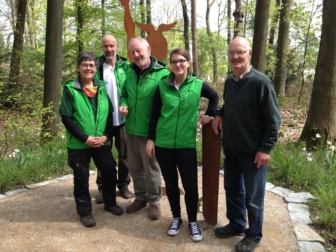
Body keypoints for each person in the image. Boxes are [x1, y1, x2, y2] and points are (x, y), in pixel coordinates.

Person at [212, 37, 281, 252]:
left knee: (253, 197)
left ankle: (253, 235)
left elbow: (273, 120)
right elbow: (230, 105)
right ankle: (237, 224)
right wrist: (219, 114)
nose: (235, 57)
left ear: (249, 53)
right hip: (231, 148)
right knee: (232, 188)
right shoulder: (229, 82)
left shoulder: (261, 82)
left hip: (253, 153)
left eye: (240, 52)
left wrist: (265, 149)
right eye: (231, 53)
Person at [146, 48, 219, 241]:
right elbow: (154, 114)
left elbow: (215, 97)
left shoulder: (197, 84)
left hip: (186, 144)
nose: (178, 64)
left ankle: (192, 221)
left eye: (181, 61)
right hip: (163, 143)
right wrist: (151, 139)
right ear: (170, 64)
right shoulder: (162, 86)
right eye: (174, 61)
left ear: (188, 62)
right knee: (170, 184)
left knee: (190, 185)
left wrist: (210, 113)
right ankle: (176, 217)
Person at [59, 51, 124, 228]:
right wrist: (85, 138)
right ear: (78, 68)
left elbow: (110, 114)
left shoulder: (101, 87)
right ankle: (85, 211)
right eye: (85, 64)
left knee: (110, 171)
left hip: (101, 141)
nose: (88, 68)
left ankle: (110, 203)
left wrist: (106, 135)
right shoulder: (71, 89)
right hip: (80, 143)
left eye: (91, 65)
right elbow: (66, 117)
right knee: (81, 176)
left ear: (95, 68)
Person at [119, 37, 170, 220]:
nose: (136, 54)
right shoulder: (130, 72)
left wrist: (157, 134)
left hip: (150, 132)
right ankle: (140, 198)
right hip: (130, 128)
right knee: (134, 166)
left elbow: (167, 104)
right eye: (132, 52)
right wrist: (123, 104)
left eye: (139, 50)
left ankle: (154, 201)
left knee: (151, 168)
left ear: (148, 49)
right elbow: (124, 94)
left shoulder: (163, 73)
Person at [94, 34, 133, 203]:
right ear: (102, 48)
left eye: (112, 46)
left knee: (125, 154)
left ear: (117, 47)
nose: (109, 49)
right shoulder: (95, 67)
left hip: (124, 119)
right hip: (103, 121)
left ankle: (123, 185)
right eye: (105, 46)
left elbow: (132, 91)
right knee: (103, 155)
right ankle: (104, 187)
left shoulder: (127, 67)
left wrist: (129, 107)